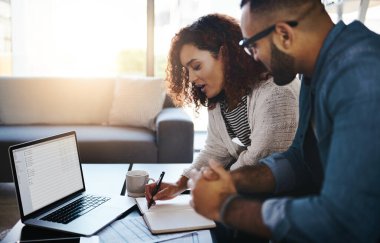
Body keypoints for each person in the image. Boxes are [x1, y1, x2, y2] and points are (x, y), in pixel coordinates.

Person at [189, 0, 380, 242]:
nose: (253, 58)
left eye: (252, 46)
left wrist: (225, 207)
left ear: (283, 35)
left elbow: (346, 220)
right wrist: (232, 180)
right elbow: (300, 160)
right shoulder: (314, 72)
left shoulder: (359, 75)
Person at [145, 14, 299, 202]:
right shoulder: (221, 97)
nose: (192, 79)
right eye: (188, 71)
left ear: (225, 54)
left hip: (282, 204)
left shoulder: (276, 92)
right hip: (249, 196)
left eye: (197, 66)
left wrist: (207, 184)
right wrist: (180, 185)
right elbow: (215, 150)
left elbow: (259, 161)